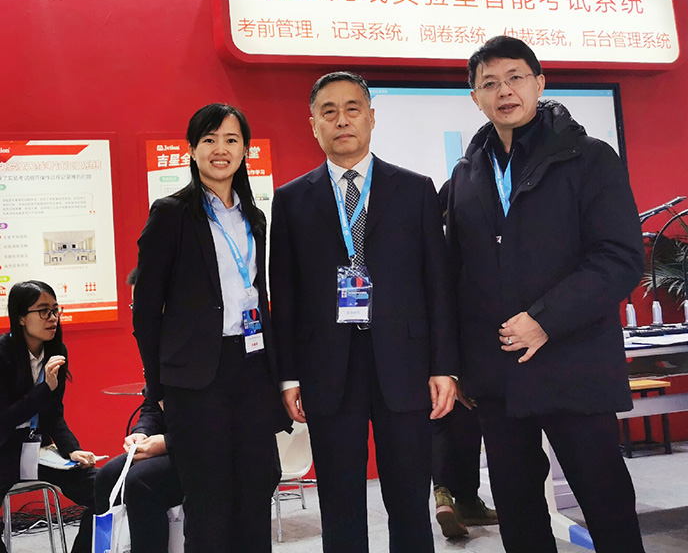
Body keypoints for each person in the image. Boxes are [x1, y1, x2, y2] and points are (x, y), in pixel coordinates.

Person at [446, 35, 646, 552]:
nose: (504, 91)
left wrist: (545, 319)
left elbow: (619, 257)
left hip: (573, 361)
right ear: (475, 97)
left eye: (515, 77)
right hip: (498, 374)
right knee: (518, 513)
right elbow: (457, 274)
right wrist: (460, 363)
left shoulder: (589, 158)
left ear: (539, 83)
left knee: (605, 500)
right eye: (489, 83)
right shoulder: (466, 175)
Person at [269, 71, 458, 553]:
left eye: (352, 109)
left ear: (371, 117)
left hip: (404, 364)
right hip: (326, 369)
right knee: (339, 502)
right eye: (328, 111)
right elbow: (284, 296)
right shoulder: (291, 200)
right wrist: (288, 376)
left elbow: (437, 285)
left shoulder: (415, 189)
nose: (342, 120)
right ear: (313, 124)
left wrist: (444, 366)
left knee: (409, 499)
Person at [133, 103, 290, 553]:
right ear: (192, 149)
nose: (221, 149)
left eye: (231, 140)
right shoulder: (171, 213)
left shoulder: (254, 217)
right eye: (209, 139)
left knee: (256, 490)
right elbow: (146, 310)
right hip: (196, 379)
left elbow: (259, 294)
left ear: (245, 150)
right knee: (208, 501)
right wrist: (157, 387)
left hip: (252, 368)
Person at [0, 280, 98, 553]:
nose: (52, 317)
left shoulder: (56, 351)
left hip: (38, 450)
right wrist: (44, 389)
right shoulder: (3, 354)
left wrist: (73, 449)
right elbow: (5, 419)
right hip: (4, 450)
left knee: (105, 488)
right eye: (43, 311)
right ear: (21, 317)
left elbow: (54, 414)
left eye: (55, 310)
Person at [431, 180, 497, 538]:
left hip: (431, 350)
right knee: (468, 422)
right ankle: (468, 500)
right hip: (467, 347)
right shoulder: (469, 248)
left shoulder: (427, 247)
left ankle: (444, 494)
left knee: (440, 421)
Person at [94, 390, 182, 553]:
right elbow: (151, 406)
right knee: (108, 476)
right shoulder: (158, 376)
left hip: (205, 447)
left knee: (140, 480)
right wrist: (141, 431)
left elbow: (216, 419)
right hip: (168, 442)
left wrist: (168, 442)